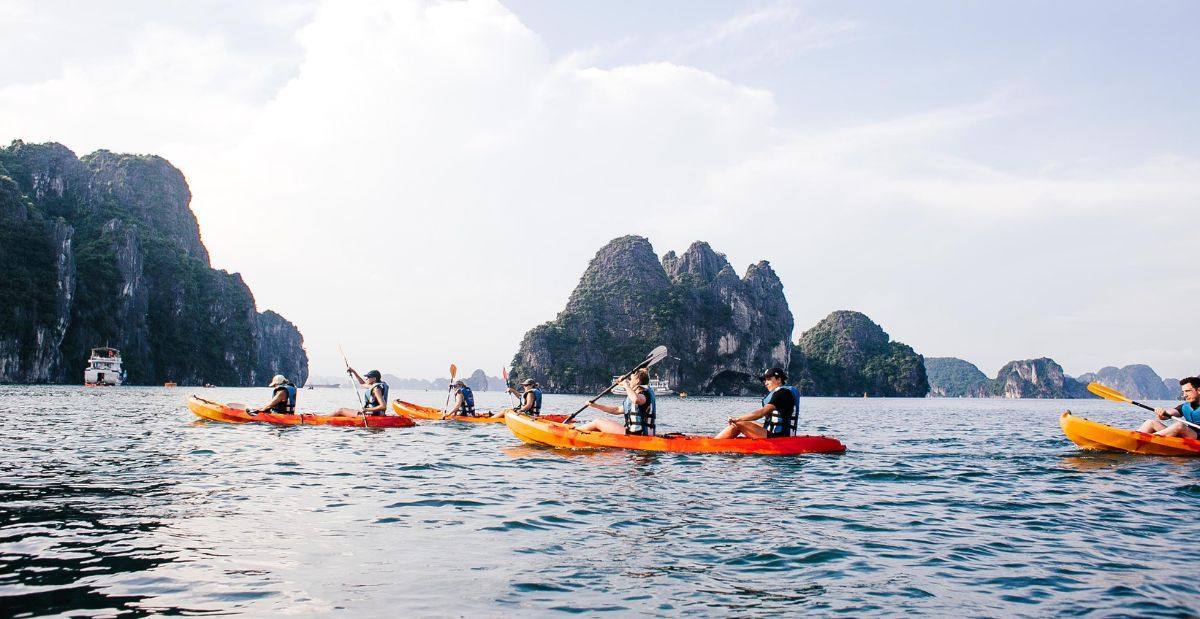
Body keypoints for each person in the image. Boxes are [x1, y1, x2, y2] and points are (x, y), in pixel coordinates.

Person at [714, 367, 799, 439]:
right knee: (744, 421)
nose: (765, 383)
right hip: (776, 433)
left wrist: (738, 419)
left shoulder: (782, 393)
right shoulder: (782, 392)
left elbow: (761, 413)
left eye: (769, 379)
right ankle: (723, 441)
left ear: (779, 379)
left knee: (739, 423)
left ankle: (714, 444)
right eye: (765, 380)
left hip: (778, 437)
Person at [576, 368, 656, 435]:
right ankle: (581, 432)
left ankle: (574, 432)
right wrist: (595, 405)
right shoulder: (641, 392)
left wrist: (625, 384)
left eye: (631, 379)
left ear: (637, 381)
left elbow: (636, 399)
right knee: (603, 420)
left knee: (597, 422)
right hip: (640, 433)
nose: (629, 381)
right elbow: (616, 410)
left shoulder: (643, 394)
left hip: (637, 434)